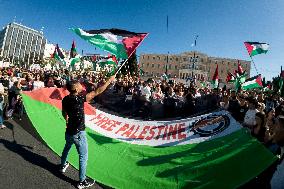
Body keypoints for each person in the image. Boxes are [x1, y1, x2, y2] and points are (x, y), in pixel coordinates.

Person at [60, 74, 116, 189]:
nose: (82, 86)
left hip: (69, 131)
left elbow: (64, 112)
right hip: (79, 133)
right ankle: (82, 181)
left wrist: (67, 121)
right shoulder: (80, 99)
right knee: (83, 156)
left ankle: (62, 165)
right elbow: (97, 91)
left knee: (67, 147)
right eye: (80, 85)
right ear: (76, 89)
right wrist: (109, 80)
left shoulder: (65, 99)